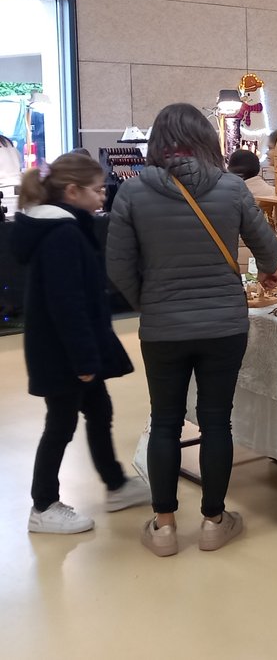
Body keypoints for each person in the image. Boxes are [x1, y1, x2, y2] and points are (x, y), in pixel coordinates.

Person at [107, 103, 277, 557]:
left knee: (164, 420)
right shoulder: (230, 187)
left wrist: (149, 303)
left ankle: (164, 527)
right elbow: (267, 244)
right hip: (224, 322)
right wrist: (268, 273)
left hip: (162, 325)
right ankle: (213, 521)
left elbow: (118, 265)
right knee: (216, 420)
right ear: (206, 138)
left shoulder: (132, 193)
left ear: (157, 142)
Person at [12, 152, 151, 534]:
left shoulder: (68, 227)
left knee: (99, 410)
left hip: (71, 348)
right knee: (60, 423)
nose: (103, 195)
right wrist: (85, 360)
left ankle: (115, 483)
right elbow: (67, 303)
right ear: (72, 191)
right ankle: (43, 504)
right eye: (96, 189)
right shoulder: (62, 235)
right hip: (64, 354)